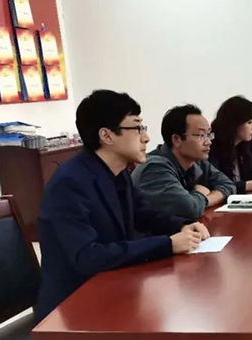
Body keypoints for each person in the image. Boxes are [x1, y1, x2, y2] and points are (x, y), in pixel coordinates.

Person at [35, 90, 209, 323]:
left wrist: (184, 225)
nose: (146, 137)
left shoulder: (118, 172)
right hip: (73, 311)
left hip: (115, 289)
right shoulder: (69, 182)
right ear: (107, 136)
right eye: (137, 128)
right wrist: (167, 244)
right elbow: (89, 256)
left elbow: (146, 214)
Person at [132, 104, 236, 219]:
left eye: (208, 135)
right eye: (201, 135)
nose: (208, 142)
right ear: (177, 139)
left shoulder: (196, 160)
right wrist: (200, 193)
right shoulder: (154, 168)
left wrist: (204, 200)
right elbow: (189, 209)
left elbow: (228, 186)